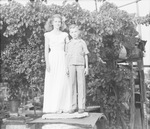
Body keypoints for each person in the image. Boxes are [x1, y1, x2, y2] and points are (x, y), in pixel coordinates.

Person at [43, 14, 71, 114]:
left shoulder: (65, 35)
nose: (57, 23)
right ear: (52, 23)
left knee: (62, 82)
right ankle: (53, 107)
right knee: (53, 82)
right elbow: (46, 51)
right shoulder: (48, 35)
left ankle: (62, 106)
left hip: (62, 59)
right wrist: (47, 64)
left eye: (59, 22)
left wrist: (68, 63)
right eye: (55, 21)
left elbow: (68, 49)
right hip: (52, 59)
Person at [66, 24, 89, 113]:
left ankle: (81, 106)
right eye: (72, 32)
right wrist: (67, 67)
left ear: (78, 32)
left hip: (80, 65)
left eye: (75, 31)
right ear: (70, 33)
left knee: (81, 84)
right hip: (71, 65)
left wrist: (87, 67)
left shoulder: (82, 42)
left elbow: (86, 55)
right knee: (72, 85)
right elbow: (67, 56)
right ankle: (73, 106)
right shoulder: (69, 43)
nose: (74, 34)